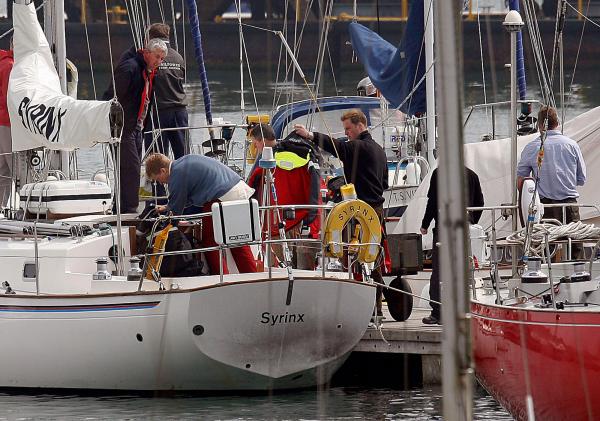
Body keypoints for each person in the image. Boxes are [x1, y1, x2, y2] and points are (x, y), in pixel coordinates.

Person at [294, 109, 388, 317]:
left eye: (348, 128)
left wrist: (310, 135)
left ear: (359, 125)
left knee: (352, 256)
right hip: (377, 211)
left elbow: (337, 147)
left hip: (358, 212)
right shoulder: (380, 151)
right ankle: (377, 308)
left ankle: (358, 306)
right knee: (372, 257)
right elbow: (384, 183)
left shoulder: (357, 147)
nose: (346, 133)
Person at [144, 153, 257, 274]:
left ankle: (221, 276)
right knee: (238, 241)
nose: (161, 183)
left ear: (163, 170)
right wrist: (167, 207)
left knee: (211, 240)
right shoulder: (185, 161)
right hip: (240, 190)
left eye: (157, 179)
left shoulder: (176, 175)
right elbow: (181, 199)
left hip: (222, 196)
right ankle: (252, 275)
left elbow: (175, 212)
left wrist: (166, 228)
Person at [247, 123, 321, 268]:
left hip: (277, 226)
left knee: (279, 271)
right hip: (306, 222)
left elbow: (250, 192)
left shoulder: (267, 165)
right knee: (305, 273)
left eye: (255, 143)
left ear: (261, 140)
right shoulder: (303, 157)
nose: (255, 147)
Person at [517, 105, 586, 258]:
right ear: (558, 123)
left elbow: (521, 181)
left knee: (546, 250)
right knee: (576, 251)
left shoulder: (531, 148)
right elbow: (581, 179)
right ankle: (578, 277)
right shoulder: (572, 145)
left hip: (544, 207)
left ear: (540, 125)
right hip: (569, 206)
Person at [107, 38, 167, 213]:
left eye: (162, 59)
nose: (159, 62)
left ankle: (122, 206)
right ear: (147, 53)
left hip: (137, 126)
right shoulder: (130, 68)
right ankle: (129, 210)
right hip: (122, 126)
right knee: (131, 167)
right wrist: (116, 123)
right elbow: (112, 96)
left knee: (131, 167)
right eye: (157, 57)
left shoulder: (148, 71)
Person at [420, 167, 484, 325]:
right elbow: (480, 202)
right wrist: (472, 221)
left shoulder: (439, 173)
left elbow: (433, 201)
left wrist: (425, 224)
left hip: (444, 227)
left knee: (439, 270)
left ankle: (438, 312)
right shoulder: (471, 174)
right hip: (464, 228)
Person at [144, 23, 189, 160]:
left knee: (157, 159)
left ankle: (159, 182)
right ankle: (185, 181)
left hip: (158, 112)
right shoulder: (178, 57)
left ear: (151, 38)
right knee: (183, 156)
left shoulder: (152, 58)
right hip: (180, 112)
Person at [0, 37, 13, 207]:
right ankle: (29, 209)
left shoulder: (3, 61)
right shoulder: (10, 66)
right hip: (8, 121)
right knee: (16, 169)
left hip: (1, 121)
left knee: (3, 169)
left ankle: (1, 208)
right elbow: (11, 98)